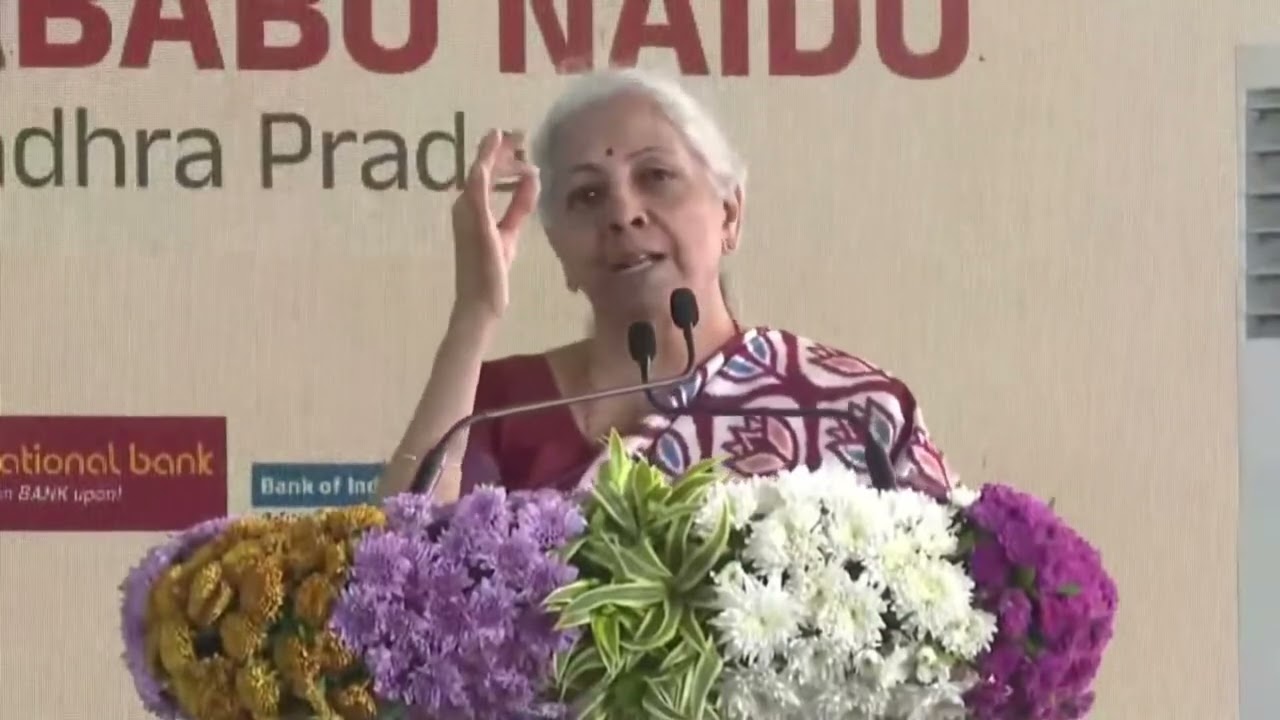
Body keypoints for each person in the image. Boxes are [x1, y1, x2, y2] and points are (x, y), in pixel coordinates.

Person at [376, 67, 953, 504]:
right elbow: (399, 587)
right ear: (559, 248)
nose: (623, 213)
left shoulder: (849, 409)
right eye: (587, 195)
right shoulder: (494, 407)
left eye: (656, 177)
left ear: (730, 213)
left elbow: (947, 619)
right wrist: (474, 311)